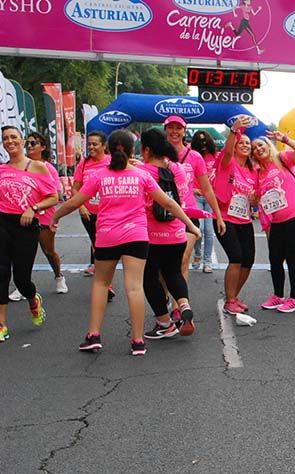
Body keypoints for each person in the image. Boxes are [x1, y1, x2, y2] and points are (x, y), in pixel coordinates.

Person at [52, 129, 193, 356]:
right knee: (134, 287)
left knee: (101, 283)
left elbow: (74, 202)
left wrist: (55, 217)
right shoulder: (141, 176)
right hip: (136, 236)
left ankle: (94, 335)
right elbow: (168, 202)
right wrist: (191, 225)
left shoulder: (99, 176)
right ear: (132, 151)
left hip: (107, 235)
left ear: (109, 150)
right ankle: (137, 341)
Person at [137, 128, 201, 340]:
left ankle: (164, 323)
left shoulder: (142, 173)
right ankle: (183, 305)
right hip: (177, 233)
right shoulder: (178, 168)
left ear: (146, 150)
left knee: (150, 278)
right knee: (173, 273)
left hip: (152, 236)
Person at [0, 126, 58, 342]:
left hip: (27, 225)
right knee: (1, 273)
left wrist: (33, 208)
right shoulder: (2, 169)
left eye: (13, 137)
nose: (10, 141)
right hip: (3, 222)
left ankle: (33, 299)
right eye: (5, 138)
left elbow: (53, 197)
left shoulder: (37, 167)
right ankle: (1, 324)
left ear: (22, 140)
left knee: (22, 278)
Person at [252, 131, 295, 313]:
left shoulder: (281, 159)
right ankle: (278, 296)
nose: (257, 149)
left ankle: (294, 299)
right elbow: (258, 199)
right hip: (277, 221)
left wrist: (285, 139)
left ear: (268, 145)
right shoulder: (258, 173)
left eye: (260, 145)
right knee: (275, 258)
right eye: (254, 148)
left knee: (292, 257)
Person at [164, 116, 224, 290]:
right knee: (164, 263)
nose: (175, 131)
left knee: (183, 259)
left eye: (178, 128)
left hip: (188, 213)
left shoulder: (194, 156)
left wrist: (218, 216)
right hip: (164, 215)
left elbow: (207, 188)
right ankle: (165, 297)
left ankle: (179, 302)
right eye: (171, 127)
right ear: (165, 130)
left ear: (184, 131)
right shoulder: (157, 154)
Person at [212, 116, 256, 315]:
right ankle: (230, 300)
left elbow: (253, 199)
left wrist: (255, 199)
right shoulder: (227, 163)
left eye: (248, 143)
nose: (245, 145)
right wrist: (234, 131)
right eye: (242, 143)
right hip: (224, 218)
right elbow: (228, 151)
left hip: (244, 219)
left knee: (248, 260)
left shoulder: (252, 171)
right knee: (236, 257)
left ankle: (233, 296)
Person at [26, 131, 67, 294]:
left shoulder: (48, 168)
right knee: (23, 253)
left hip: (44, 215)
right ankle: (23, 285)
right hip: (24, 214)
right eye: (27, 143)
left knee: (48, 251)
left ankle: (59, 277)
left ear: (42, 147)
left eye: (33, 143)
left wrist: (38, 206)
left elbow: (55, 195)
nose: (29, 146)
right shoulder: (21, 165)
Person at [72, 131, 110, 284]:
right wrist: (81, 206)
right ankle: (104, 281)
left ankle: (104, 278)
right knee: (97, 242)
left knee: (104, 244)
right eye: (89, 144)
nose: (91, 147)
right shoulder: (84, 163)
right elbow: (75, 189)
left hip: (108, 213)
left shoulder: (112, 161)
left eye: (95, 144)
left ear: (104, 146)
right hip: (89, 213)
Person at [189, 129, 219, 273]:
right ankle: (197, 253)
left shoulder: (216, 156)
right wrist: (191, 189)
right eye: (200, 140)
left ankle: (207, 262)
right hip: (196, 196)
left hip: (210, 197)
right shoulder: (192, 156)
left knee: (209, 230)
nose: (203, 143)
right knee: (198, 228)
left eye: (205, 140)